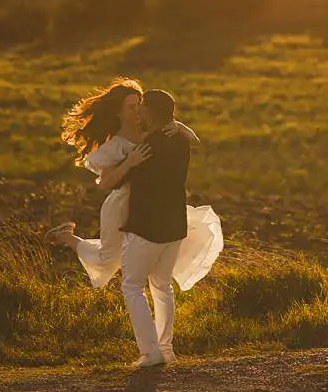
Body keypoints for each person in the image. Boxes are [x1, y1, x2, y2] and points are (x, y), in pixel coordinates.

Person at [45, 79, 222, 305]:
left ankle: (153, 310)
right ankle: (68, 237)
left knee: (158, 261)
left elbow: (193, 141)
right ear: (118, 113)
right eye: (131, 107)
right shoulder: (114, 145)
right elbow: (105, 183)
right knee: (108, 260)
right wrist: (129, 163)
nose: (138, 110)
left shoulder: (154, 129)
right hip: (121, 205)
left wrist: (178, 125)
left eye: (139, 104)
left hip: (152, 204)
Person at [118, 88, 194, 367]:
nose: (138, 111)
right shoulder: (180, 141)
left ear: (150, 111)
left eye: (142, 107)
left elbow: (120, 179)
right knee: (162, 285)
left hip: (147, 226)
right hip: (174, 224)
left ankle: (150, 353)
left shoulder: (146, 146)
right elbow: (189, 136)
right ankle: (166, 349)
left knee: (132, 286)